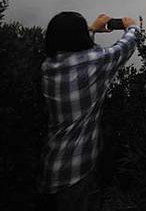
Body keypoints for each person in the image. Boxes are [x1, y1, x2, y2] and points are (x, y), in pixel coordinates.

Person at [36, 12, 140, 211]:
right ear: (80, 37)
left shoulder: (48, 66)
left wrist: (92, 29)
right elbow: (125, 46)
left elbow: (76, 55)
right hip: (76, 173)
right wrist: (131, 25)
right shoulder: (95, 62)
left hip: (50, 165)